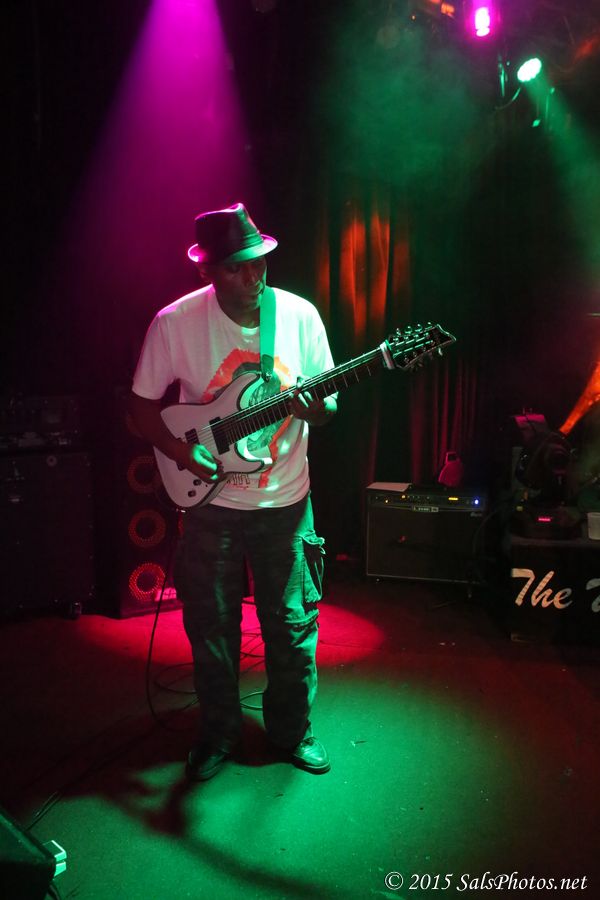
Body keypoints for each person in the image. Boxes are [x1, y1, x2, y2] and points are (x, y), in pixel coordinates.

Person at [129, 202, 337, 781]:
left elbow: (329, 406)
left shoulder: (298, 316)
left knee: (292, 627)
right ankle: (218, 732)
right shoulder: (174, 323)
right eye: (236, 267)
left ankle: (292, 732)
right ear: (207, 270)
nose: (253, 276)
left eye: (259, 262)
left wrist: (315, 410)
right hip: (210, 505)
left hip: (285, 503)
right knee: (211, 628)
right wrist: (180, 453)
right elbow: (140, 410)